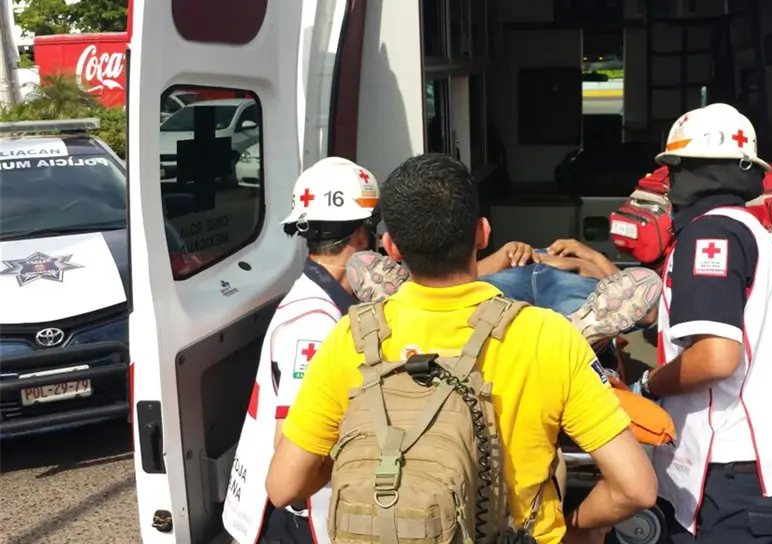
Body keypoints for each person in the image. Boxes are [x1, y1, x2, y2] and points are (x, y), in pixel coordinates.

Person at [265, 153, 658, 544]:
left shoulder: (352, 335)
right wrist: (574, 524)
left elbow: (283, 487)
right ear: (483, 234)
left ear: (391, 247)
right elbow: (636, 489)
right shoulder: (549, 336)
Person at [632, 103, 772, 542]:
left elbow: (717, 357)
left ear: (680, 172)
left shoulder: (709, 236)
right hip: (771, 467)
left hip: (739, 474)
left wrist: (650, 385)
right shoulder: (750, 230)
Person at [222, 157, 383, 544]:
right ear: (362, 235)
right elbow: (292, 460)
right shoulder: (313, 324)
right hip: (300, 523)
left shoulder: (338, 301)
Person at [346, 237, 662, 344]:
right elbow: (461, 282)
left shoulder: (584, 264)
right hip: (509, 280)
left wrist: (590, 257)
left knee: (480, 312)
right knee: (467, 298)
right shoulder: (509, 256)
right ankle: (567, 336)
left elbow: (647, 312)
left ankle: (410, 299)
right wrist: (506, 254)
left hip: (573, 282)